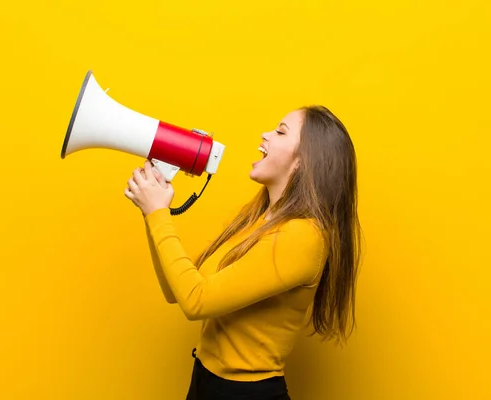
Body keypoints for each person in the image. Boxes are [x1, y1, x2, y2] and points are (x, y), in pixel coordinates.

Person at [124, 105, 361, 399]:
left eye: (280, 131)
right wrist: (152, 213)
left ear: (304, 161)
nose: (265, 134)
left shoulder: (304, 236)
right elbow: (179, 290)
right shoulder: (257, 219)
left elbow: (195, 302)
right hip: (205, 383)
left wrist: (158, 212)